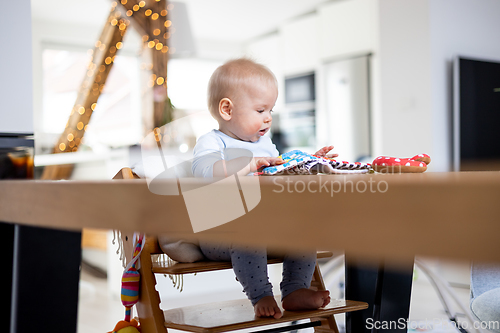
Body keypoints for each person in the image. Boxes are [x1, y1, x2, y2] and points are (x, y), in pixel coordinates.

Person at [192, 58, 336, 319]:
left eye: (270, 110)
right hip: (220, 230)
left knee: (305, 230)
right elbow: (205, 174)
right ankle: (261, 295)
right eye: (260, 110)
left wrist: (309, 164)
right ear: (227, 109)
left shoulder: (266, 144)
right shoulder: (212, 142)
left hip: (268, 226)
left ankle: (295, 290)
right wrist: (247, 164)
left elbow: (280, 177)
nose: (268, 118)